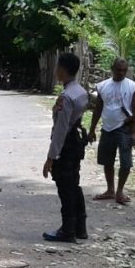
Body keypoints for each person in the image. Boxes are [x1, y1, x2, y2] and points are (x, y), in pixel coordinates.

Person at [43, 53, 90, 243]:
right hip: (76, 143)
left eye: (57, 67)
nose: (55, 71)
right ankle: (80, 226)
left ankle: (67, 229)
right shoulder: (81, 92)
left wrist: (51, 158)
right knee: (74, 185)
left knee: (65, 188)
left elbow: (61, 130)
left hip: (67, 145)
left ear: (62, 70)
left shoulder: (66, 97)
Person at [88, 58, 135, 205]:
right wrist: (92, 129)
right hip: (107, 128)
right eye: (118, 70)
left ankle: (120, 191)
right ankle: (110, 189)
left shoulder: (132, 87)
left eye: (124, 70)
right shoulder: (103, 86)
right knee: (107, 160)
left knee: (125, 162)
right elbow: (97, 109)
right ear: (112, 69)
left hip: (124, 128)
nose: (121, 73)